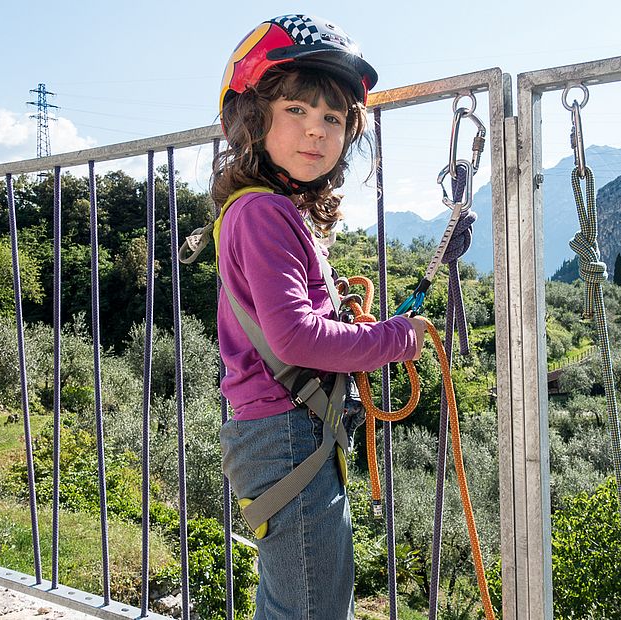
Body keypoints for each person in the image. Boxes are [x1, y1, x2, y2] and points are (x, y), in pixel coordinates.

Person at [212, 14, 426, 618]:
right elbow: (297, 336)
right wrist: (395, 339)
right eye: (295, 112)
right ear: (253, 121)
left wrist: (356, 331)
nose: (315, 132)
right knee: (312, 606)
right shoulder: (264, 216)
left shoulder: (266, 211)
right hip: (286, 432)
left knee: (298, 596)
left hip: (283, 430)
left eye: (332, 118)